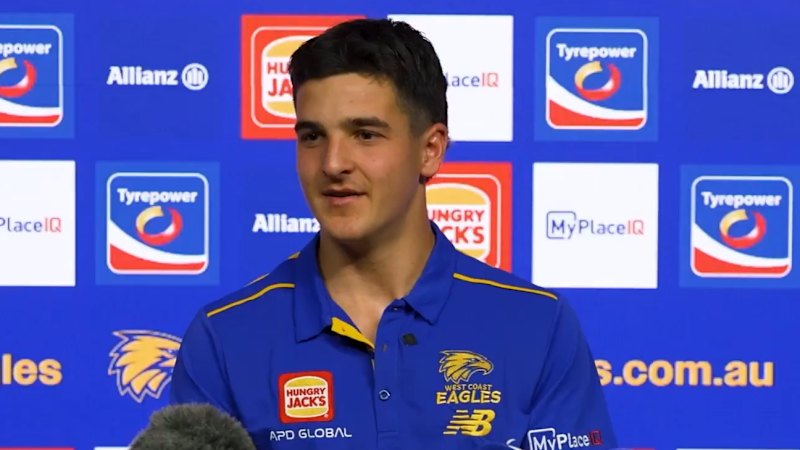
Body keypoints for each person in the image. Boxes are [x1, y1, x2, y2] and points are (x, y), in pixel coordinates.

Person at [170, 18, 617, 449]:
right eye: (312, 137)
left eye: (365, 135)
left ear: (430, 150)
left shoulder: (537, 325)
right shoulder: (224, 338)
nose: (333, 163)